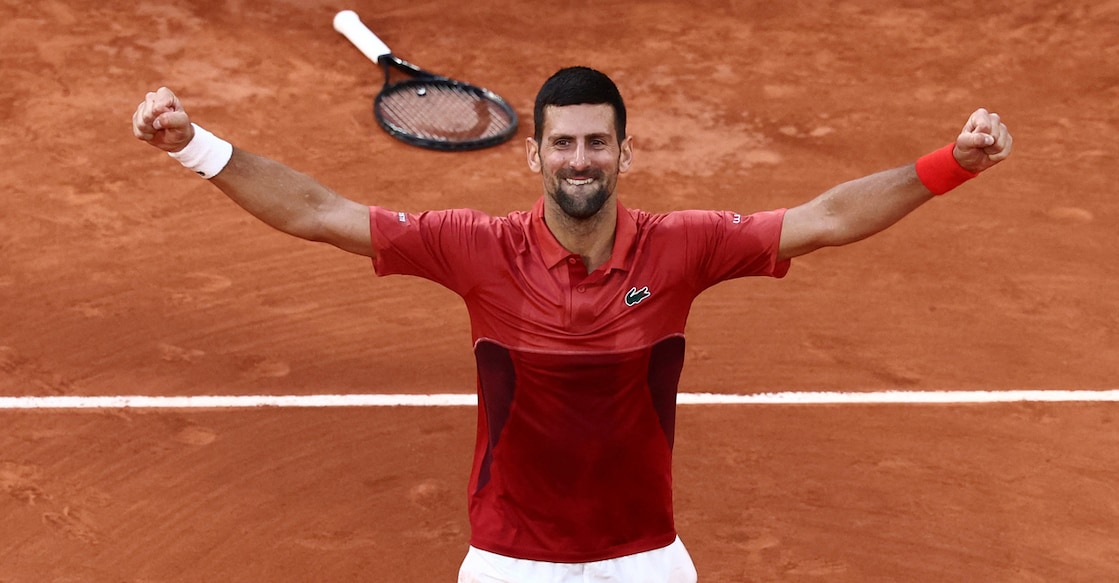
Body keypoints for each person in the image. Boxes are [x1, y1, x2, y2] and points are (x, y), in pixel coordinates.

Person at [132, 66, 1012, 582]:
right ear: (535, 152)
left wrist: (953, 163)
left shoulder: (684, 248)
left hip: (644, 557)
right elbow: (318, 212)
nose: (580, 159)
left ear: (625, 152)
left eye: (596, 143)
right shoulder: (473, 248)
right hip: (509, 561)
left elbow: (823, 218)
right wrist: (193, 145)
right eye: (564, 143)